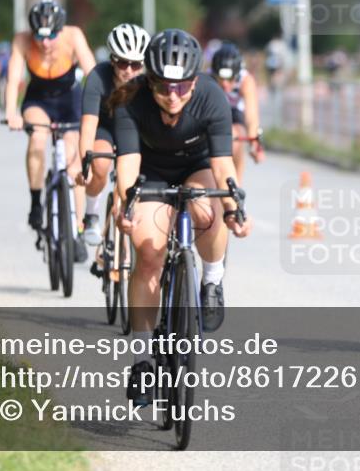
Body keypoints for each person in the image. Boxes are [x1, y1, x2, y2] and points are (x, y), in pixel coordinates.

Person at [112, 29, 252, 406]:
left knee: (209, 209)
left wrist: (235, 208)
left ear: (194, 81)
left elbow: (223, 164)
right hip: (150, 173)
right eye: (163, 86)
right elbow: (128, 165)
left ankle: (212, 279)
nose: (173, 95)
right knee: (148, 254)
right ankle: (142, 360)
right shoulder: (130, 100)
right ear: (150, 81)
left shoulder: (211, 96)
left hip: (197, 166)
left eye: (182, 86)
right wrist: (125, 205)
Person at [4, 0, 96, 262]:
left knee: (74, 161)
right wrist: (11, 112)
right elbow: (14, 78)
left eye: (51, 36)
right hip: (39, 100)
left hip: (70, 100)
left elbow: (92, 73)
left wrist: (103, 107)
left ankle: (77, 229)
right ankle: (36, 202)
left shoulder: (73, 35)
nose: (45, 43)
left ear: (60, 30)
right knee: (37, 139)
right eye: (39, 36)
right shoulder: (22, 40)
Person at [73, 23, 150, 270]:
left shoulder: (147, 81)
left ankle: (125, 236)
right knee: (101, 164)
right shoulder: (97, 77)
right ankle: (92, 213)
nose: (129, 70)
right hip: (104, 127)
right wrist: (85, 164)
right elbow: (88, 126)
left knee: (133, 177)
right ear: (112, 59)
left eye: (136, 65)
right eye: (122, 63)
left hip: (134, 129)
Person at [209, 42, 265, 183]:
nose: (225, 84)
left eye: (230, 79)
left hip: (234, 112)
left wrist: (254, 142)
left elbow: (251, 116)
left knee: (237, 136)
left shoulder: (246, 80)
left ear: (237, 74)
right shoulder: (208, 78)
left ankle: (236, 185)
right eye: (221, 79)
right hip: (214, 110)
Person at [0, 41, 12, 106]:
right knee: (2, 89)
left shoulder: (10, 56)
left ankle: (7, 102)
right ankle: (3, 103)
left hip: (9, 75)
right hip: (2, 76)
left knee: (7, 89)